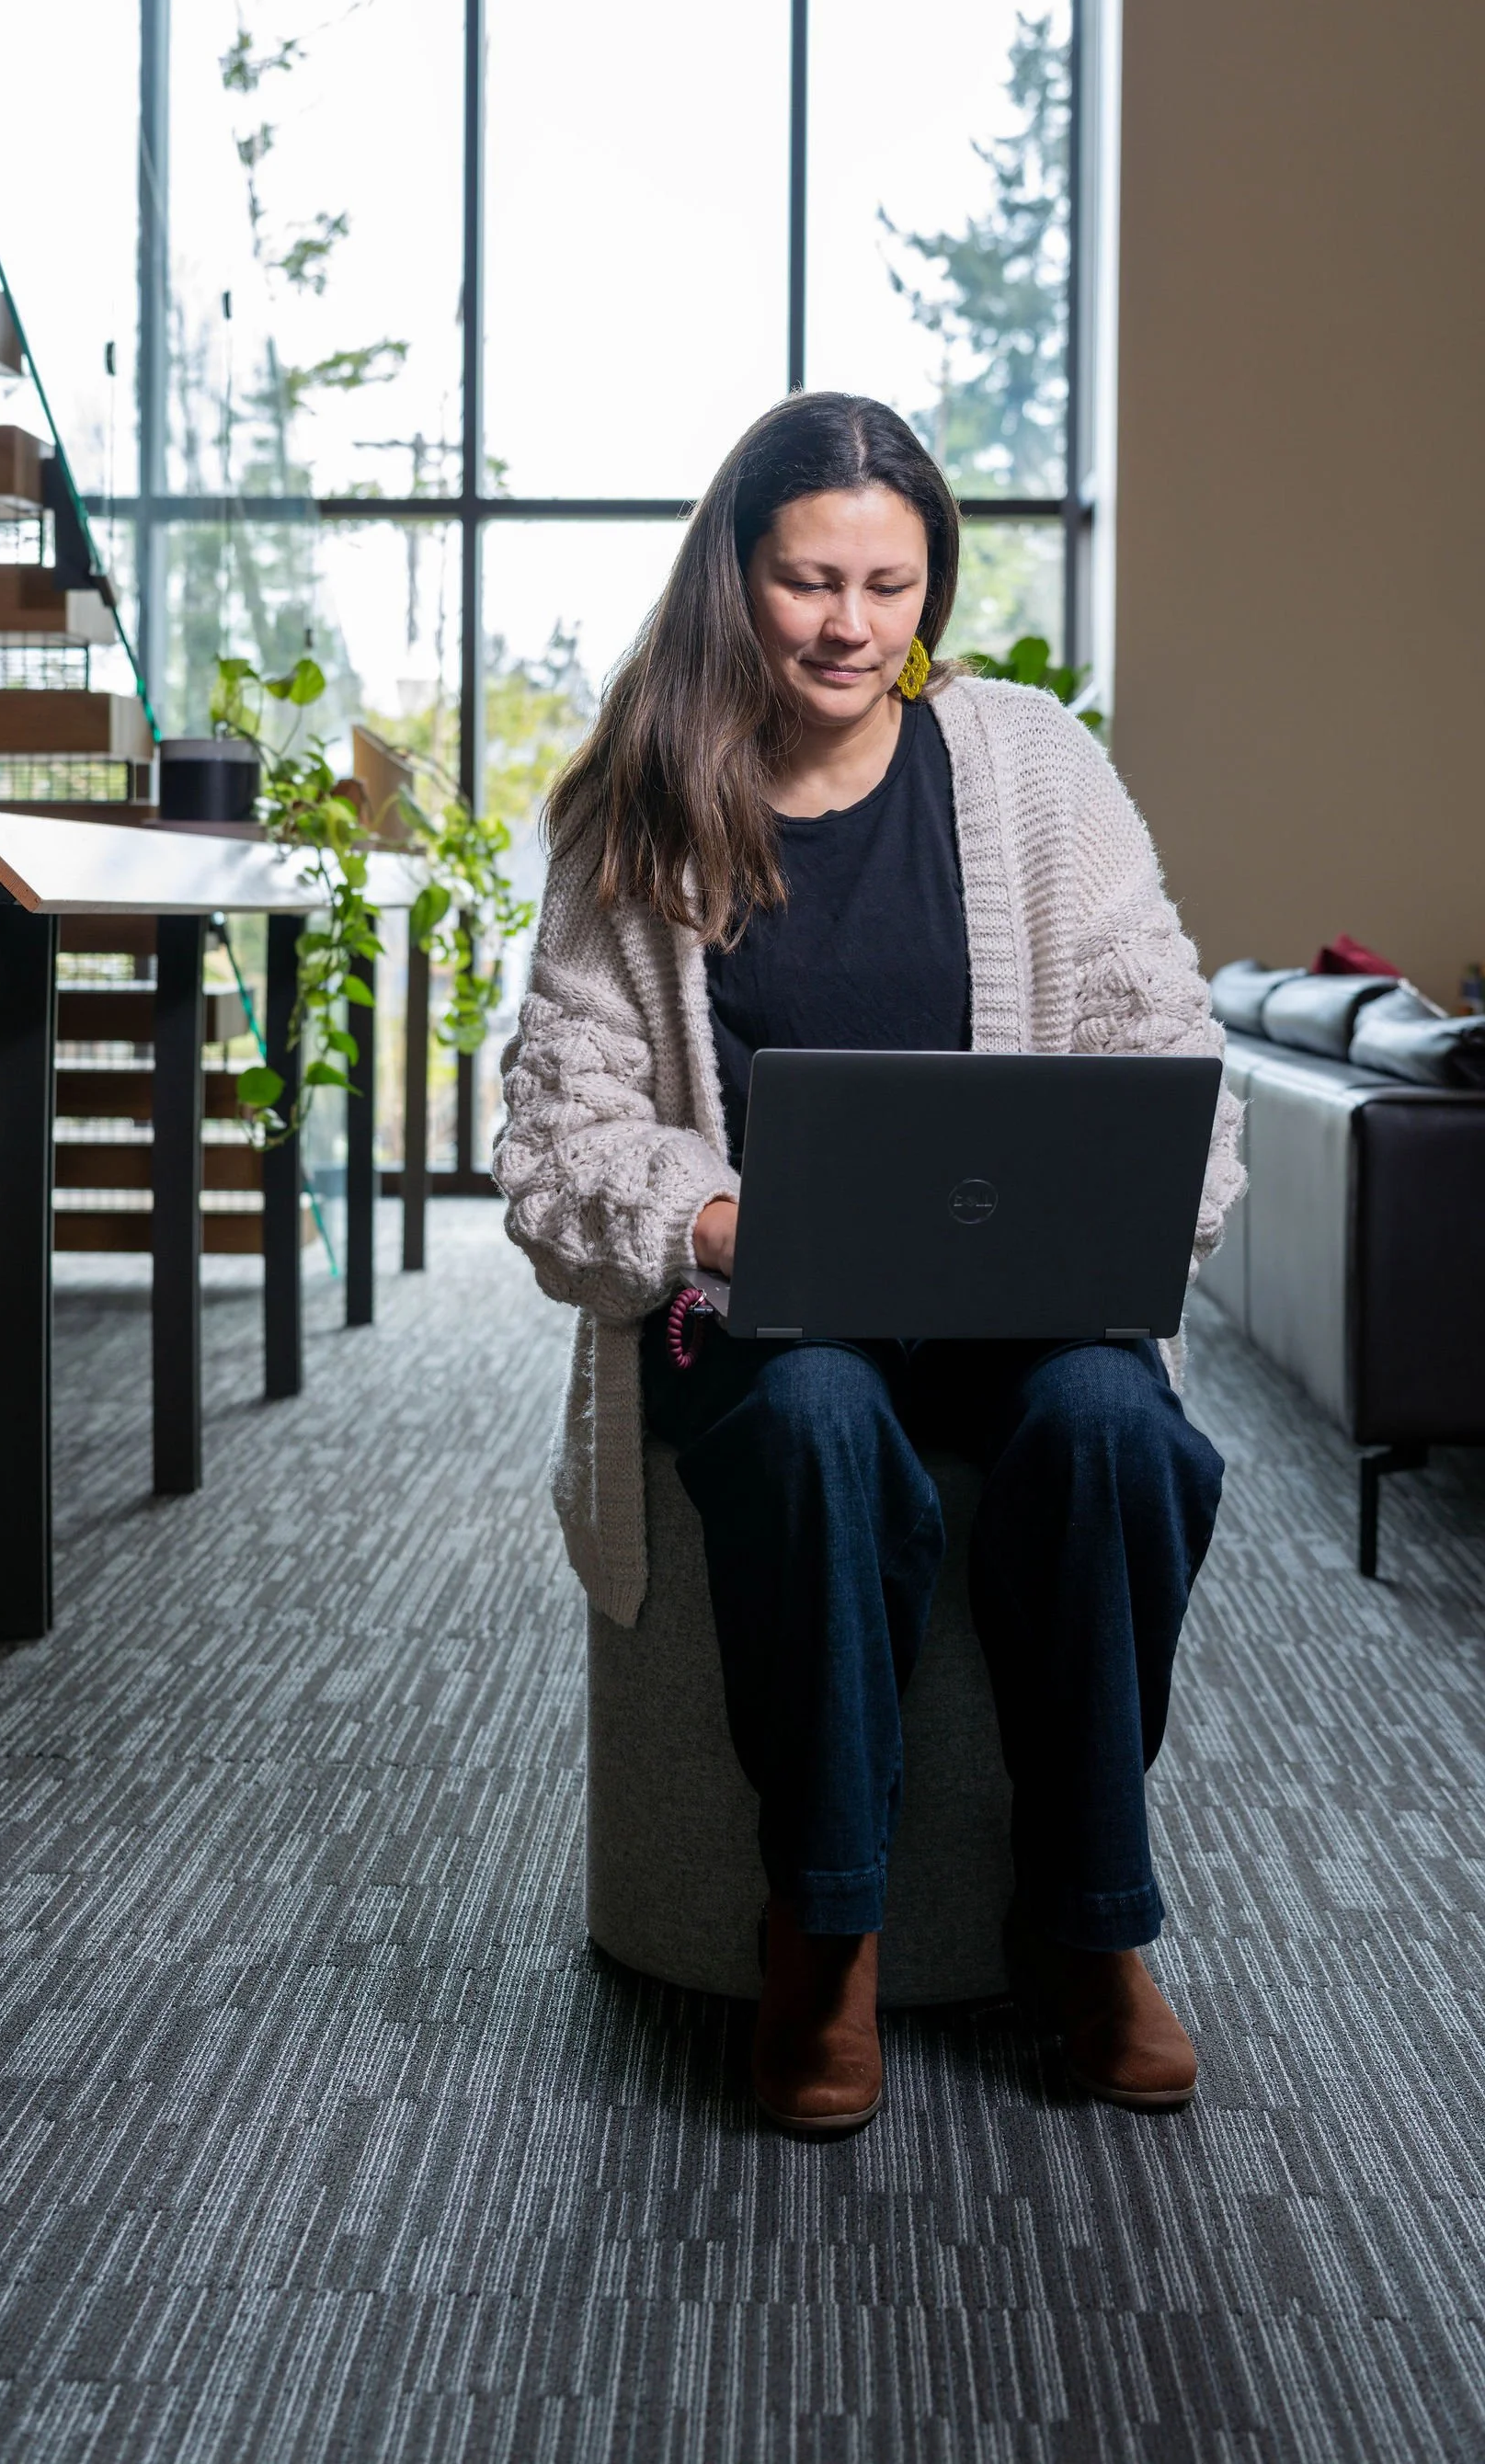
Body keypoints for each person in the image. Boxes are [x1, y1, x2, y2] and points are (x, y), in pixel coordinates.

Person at [494, 392, 1242, 2139]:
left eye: (890, 586)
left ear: (933, 589)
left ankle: (1092, 1927)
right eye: (809, 581)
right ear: (733, 576)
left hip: (1015, 1290)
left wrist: (1125, 1210)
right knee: (819, 1420)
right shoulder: (639, 810)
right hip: (757, 1304)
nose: (851, 626)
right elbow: (557, 1145)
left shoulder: (1034, 766)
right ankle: (822, 1927)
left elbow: (1164, 1042)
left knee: (1113, 1432)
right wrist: (721, 1222)